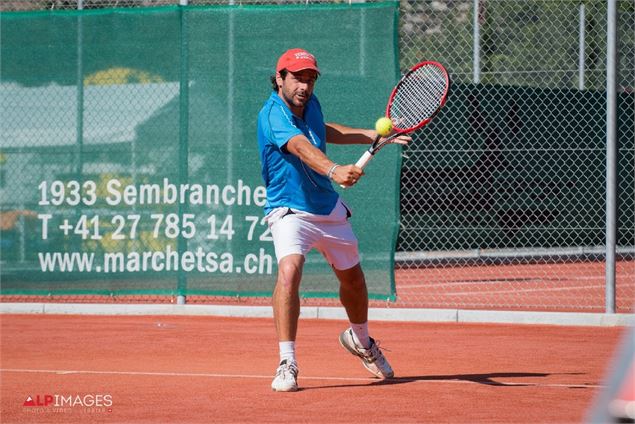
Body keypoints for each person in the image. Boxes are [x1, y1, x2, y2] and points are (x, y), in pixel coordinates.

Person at [257, 48, 411, 392]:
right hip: (289, 209)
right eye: (297, 78)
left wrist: (368, 135)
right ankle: (287, 361)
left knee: (354, 281)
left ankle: (361, 340)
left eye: (310, 79)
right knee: (289, 272)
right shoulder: (271, 115)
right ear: (280, 77)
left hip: (326, 207)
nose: (305, 86)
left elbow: (321, 130)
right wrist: (334, 169)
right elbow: (299, 146)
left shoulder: (310, 104)